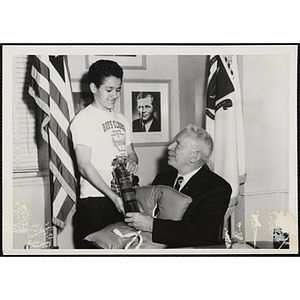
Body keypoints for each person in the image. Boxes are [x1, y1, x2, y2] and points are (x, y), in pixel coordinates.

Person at [124, 124, 232, 248]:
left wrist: (151, 224)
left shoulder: (217, 188)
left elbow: (202, 233)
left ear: (194, 157)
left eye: (178, 145)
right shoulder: (163, 178)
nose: (170, 147)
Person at [70, 60, 138, 248]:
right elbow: (84, 166)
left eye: (118, 89)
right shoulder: (83, 120)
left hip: (123, 197)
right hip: (96, 201)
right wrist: (113, 197)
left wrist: (132, 161)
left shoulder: (122, 119)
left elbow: (132, 153)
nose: (115, 95)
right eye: (109, 90)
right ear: (93, 87)